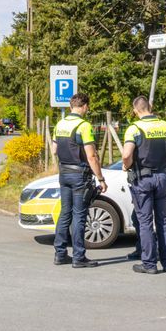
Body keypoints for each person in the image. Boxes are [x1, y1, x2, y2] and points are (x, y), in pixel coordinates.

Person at [121, 96, 166, 274]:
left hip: (143, 180)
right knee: (163, 221)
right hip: (162, 178)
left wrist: (126, 166)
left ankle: (149, 264)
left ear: (136, 110)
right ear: (150, 107)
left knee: (145, 222)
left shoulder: (134, 129)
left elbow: (126, 155)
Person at [51, 92, 107, 268]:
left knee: (65, 213)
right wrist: (100, 178)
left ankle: (60, 254)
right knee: (79, 215)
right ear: (85, 107)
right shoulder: (84, 126)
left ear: (70, 106)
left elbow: (54, 150)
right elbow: (92, 156)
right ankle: (78, 257)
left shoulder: (60, 124)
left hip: (64, 173)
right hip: (79, 175)